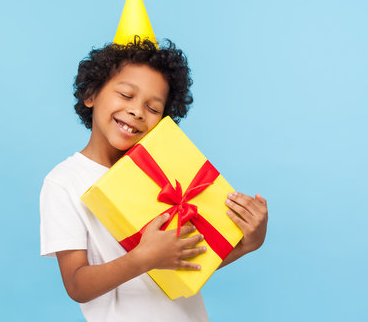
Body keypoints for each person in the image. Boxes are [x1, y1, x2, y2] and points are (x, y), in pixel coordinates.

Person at [40, 38, 268, 321]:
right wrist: (143, 258)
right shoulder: (65, 181)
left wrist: (247, 244)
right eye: (125, 95)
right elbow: (76, 284)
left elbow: (187, 264)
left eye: (153, 108)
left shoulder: (165, 172)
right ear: (90, 94)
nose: (137, 111)